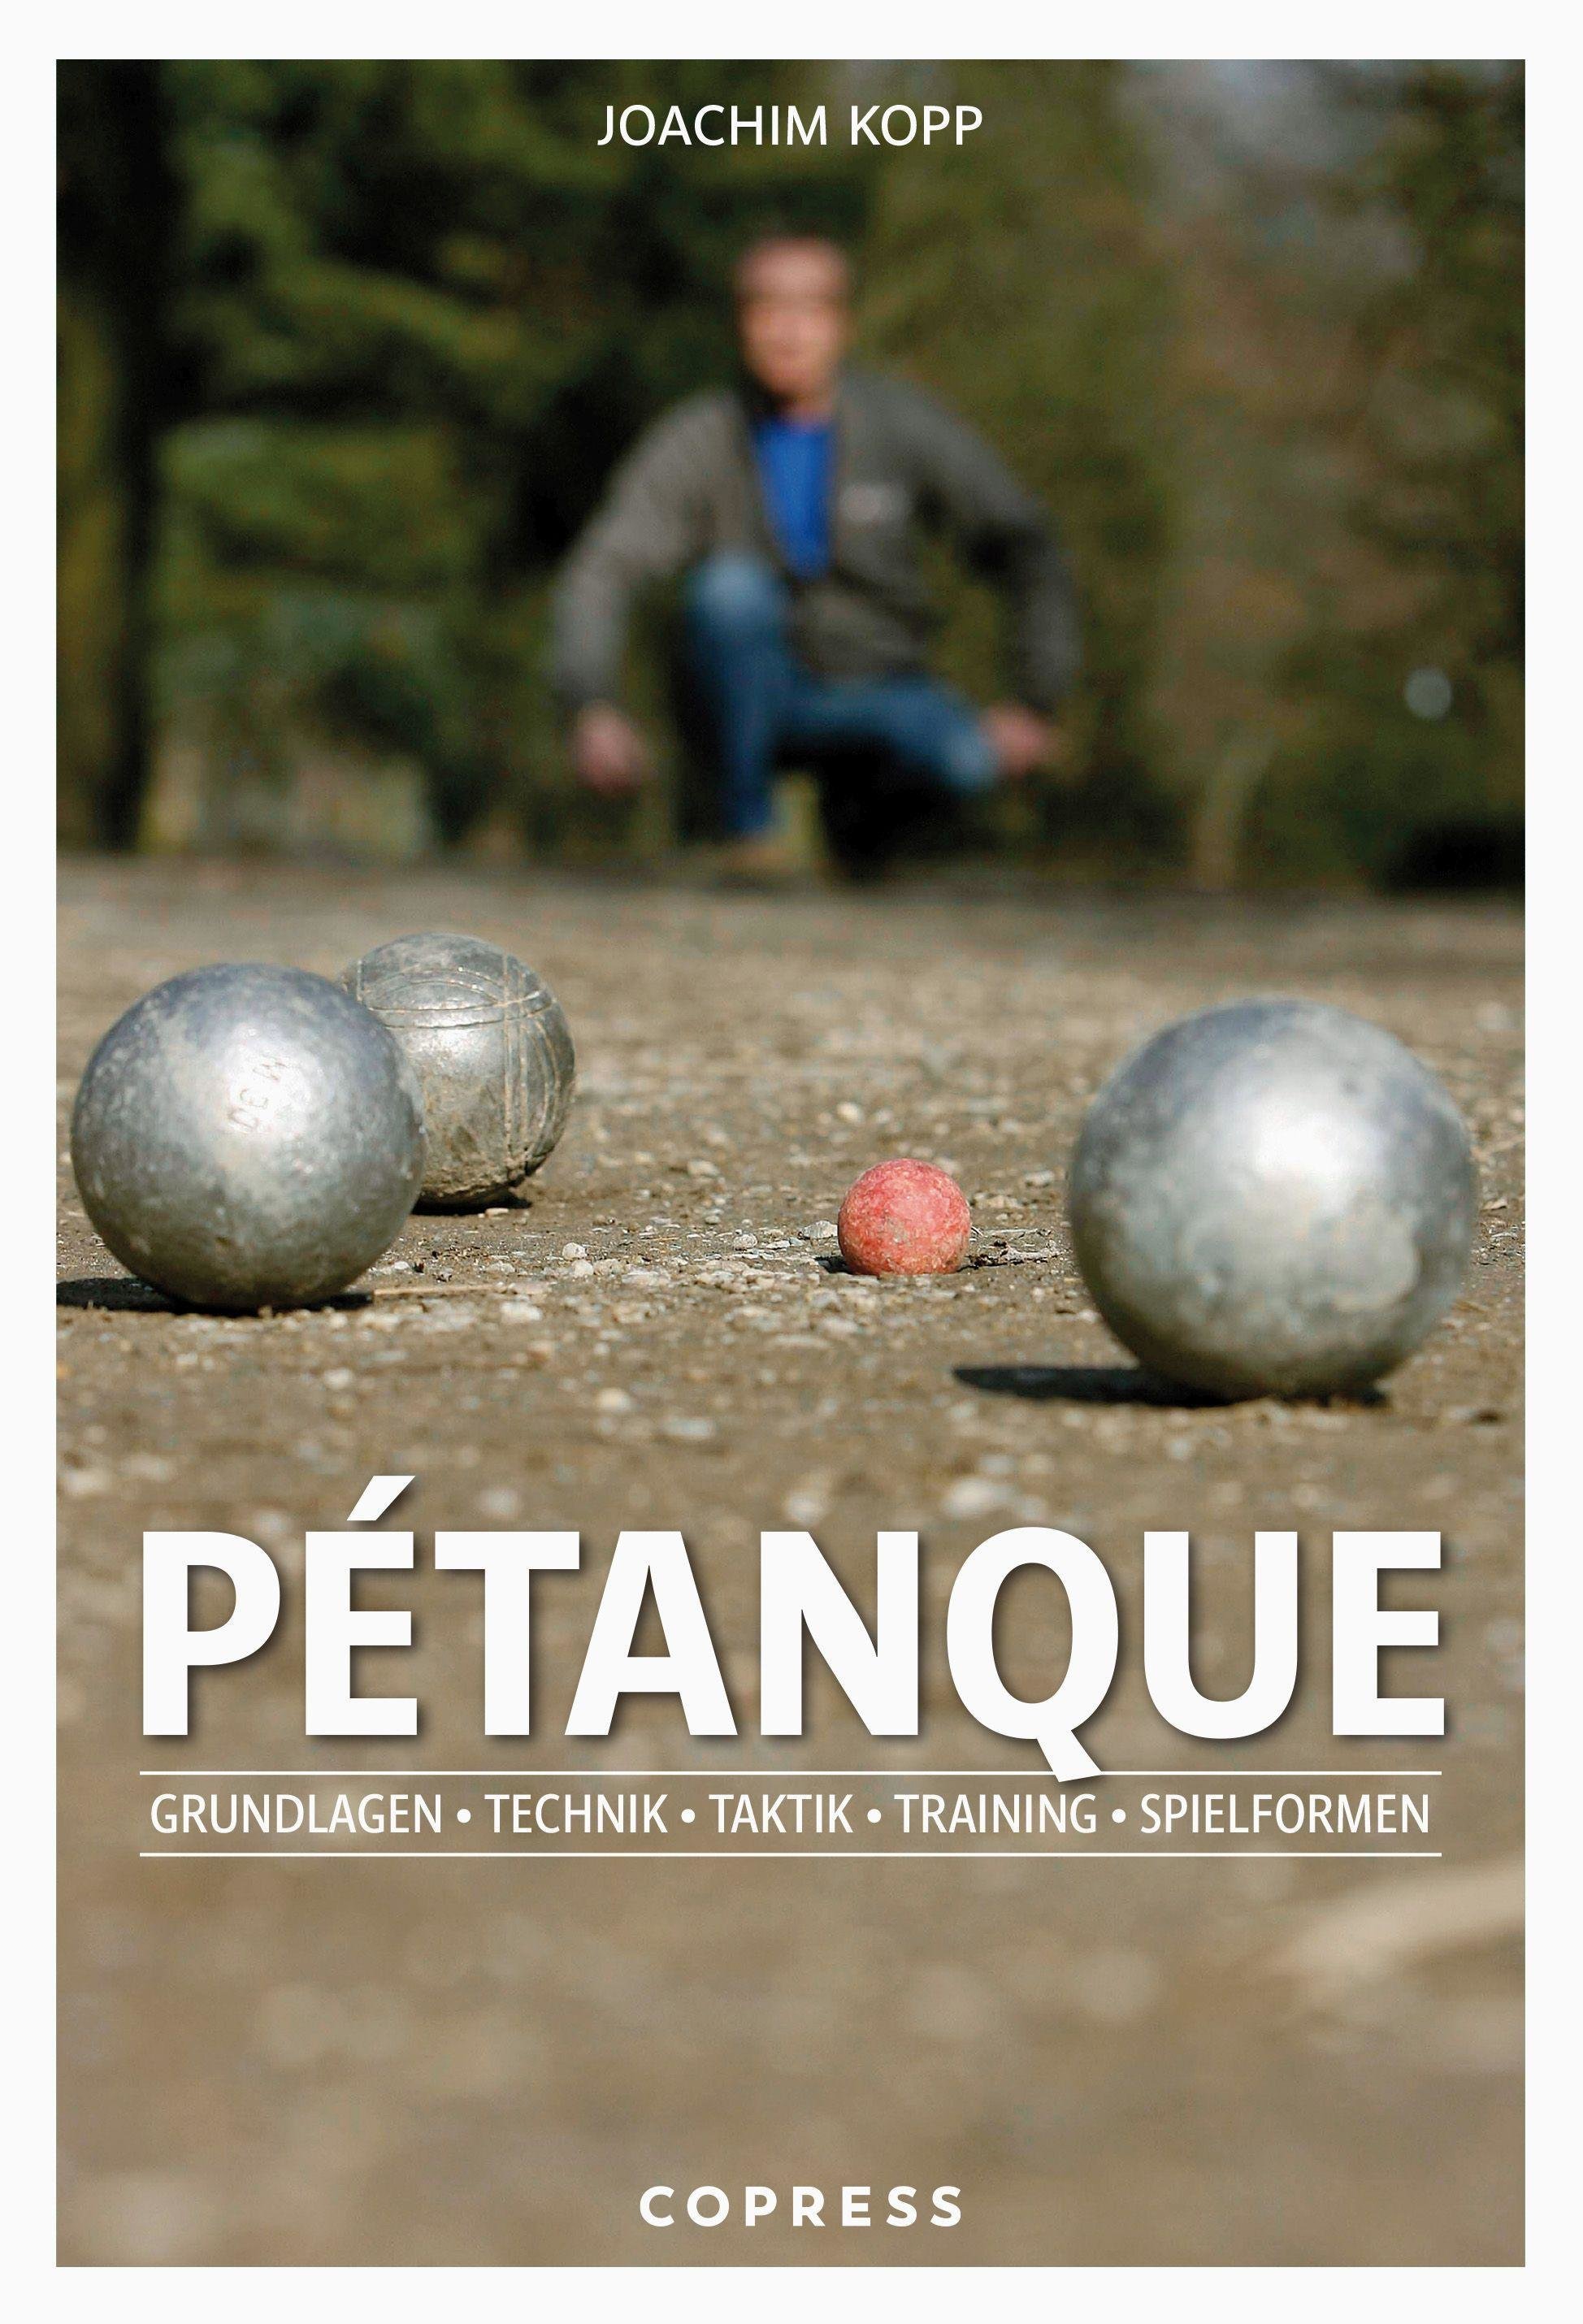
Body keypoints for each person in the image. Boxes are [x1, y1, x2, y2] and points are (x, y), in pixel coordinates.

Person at [551, 234, 1078, 878]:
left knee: (966, 760)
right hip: (756, 698)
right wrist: (590, 703)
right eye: (767, 307)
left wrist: (1035, 698)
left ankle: (864, 829)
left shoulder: (902, 427)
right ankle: (746, 832)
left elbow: (1025, 544)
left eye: (810, 308)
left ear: (842, 323)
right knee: (729, 592)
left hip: (883, 685)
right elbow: (604, 568)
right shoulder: (701, 438)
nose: (788, 330)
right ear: (741, 324)